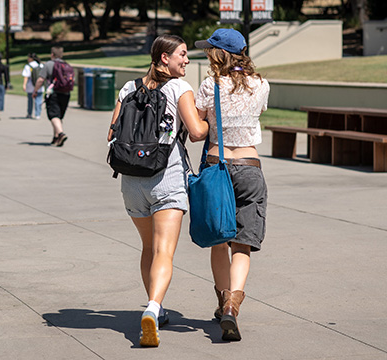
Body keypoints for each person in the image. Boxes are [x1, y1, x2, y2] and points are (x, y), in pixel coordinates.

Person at [106, 34, 208, 347]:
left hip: (132, 180)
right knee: (164, 250)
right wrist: (208, 117)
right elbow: (196, 132)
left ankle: (156, 306)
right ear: (164, 58)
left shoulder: (128, 88)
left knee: (148, 247)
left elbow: (112, 133)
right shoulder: (180, 88)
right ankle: (152, 307)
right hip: (167, 175)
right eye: (182, 54)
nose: (187, 60)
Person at [194, 28, 270, 342]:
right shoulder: (261, 84)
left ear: (219, 54)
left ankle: (222, 300)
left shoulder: (209, 85)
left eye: (209, 50)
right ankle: (232, 307)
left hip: (217, 165)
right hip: (251, 167)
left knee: (217, 239)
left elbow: (198, 128)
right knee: (242, 243)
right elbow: (255, 115)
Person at [32, 46, 70, 146]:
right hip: (66, 93)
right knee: (58, 116)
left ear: (52, 54)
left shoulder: (49, 64)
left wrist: (35, 91)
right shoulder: (65, 64)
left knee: (53, 115)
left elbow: (40, 80)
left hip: (53, 93)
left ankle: (61, 134)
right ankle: (56, 138)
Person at [22, 53, 44, 119]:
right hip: (39, 86)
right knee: (39, 100)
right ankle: (38, 114)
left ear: (31, 58)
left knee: (30, 100)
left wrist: (24, 85)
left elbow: (26, 77)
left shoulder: (28, 66)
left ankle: (29, 113)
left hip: (30, 86)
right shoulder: (41, 65)